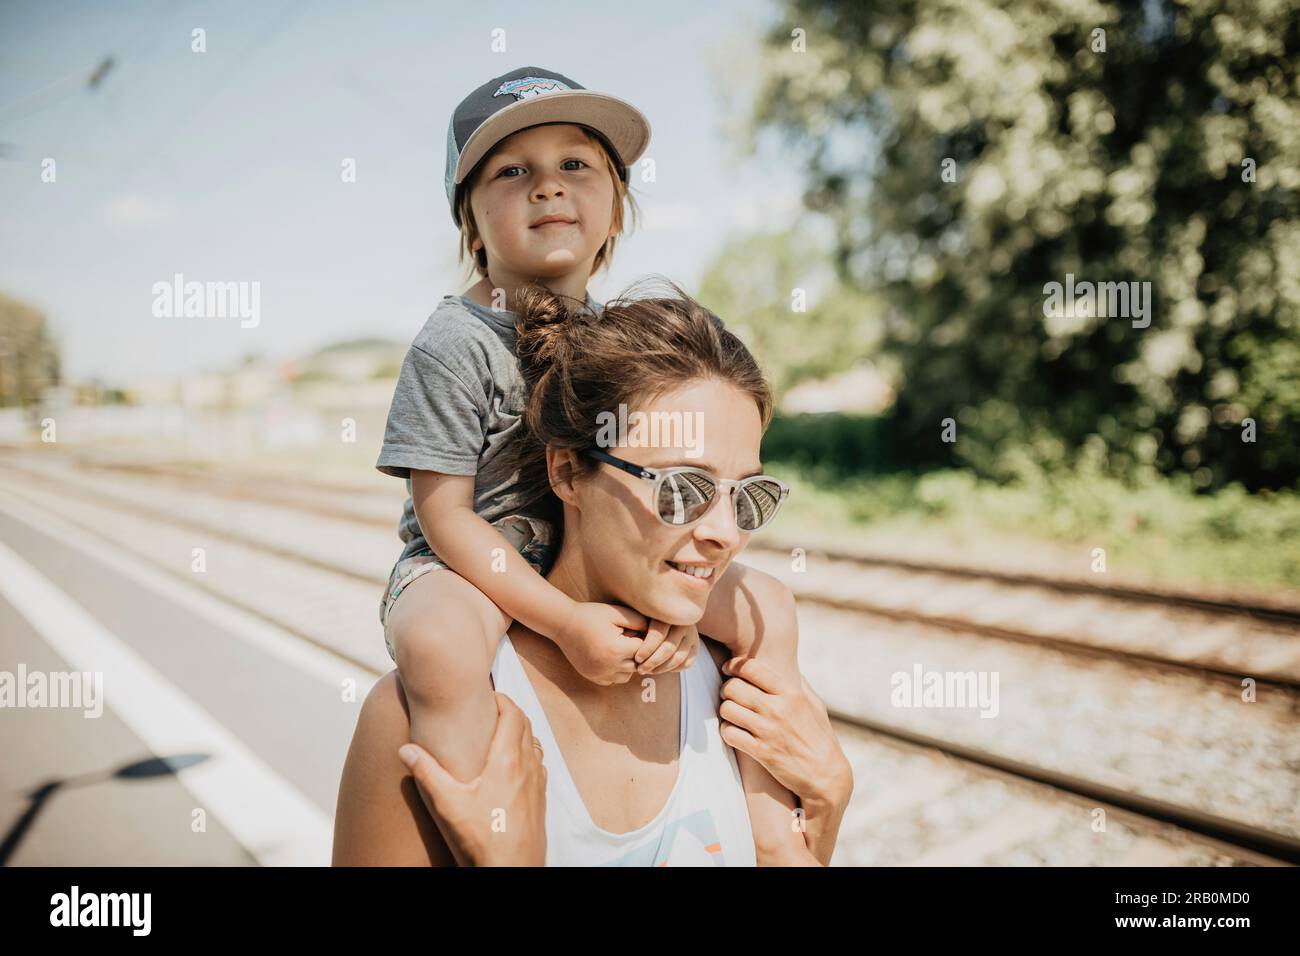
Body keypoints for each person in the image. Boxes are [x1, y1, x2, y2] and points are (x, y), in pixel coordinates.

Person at [371, 65, 809, 833]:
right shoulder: (452, 342)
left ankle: (773, 816)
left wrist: (676, 600)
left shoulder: (617, 338)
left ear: (615, 212)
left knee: (768, 603)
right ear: (470, 223)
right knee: (439, 644)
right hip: (469, 567)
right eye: (513, 172)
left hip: (588, 554)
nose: (549, 187)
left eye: (576, 164)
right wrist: (563, 623)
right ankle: (484, 818)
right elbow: (444, 517)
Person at [334, 282, 853, 865]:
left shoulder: (749, 689)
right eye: (683, 489)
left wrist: (826, 811)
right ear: (569, 472)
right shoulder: (412, 722)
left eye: (748, 496)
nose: (726, 533)